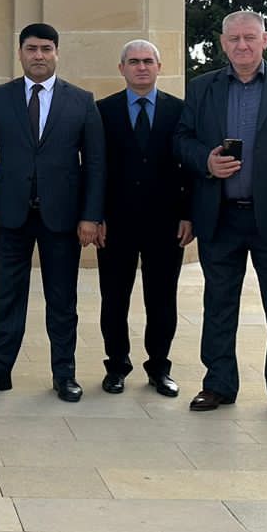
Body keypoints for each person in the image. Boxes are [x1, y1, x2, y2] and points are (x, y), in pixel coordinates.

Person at [175, 9, 267, 421]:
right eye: (234, 38)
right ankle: (218, 383)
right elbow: (181, 140)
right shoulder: (202, 88)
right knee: (219, 304)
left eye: (249, 38)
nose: (242, 45)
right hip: (219, 216)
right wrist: (205, 160)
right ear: (223, 43)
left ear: (264, 40)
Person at [0, 23, 105, 401]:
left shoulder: (81, 101)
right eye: (31, 49)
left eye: (45, 48)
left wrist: (91, 216)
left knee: (62, 300)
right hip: (9, 214)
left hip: (62, 217)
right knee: (5, 298)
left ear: (57, 52)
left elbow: (95, 164)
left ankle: (64, 374)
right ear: (20, 53)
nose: (38, 55)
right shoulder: (0, 97)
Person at [95, 40, 193, 397]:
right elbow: (94, 168)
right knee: (114, 299)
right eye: (134, 61)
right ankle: (116, 365)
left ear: (159, 67)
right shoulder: (102, 111)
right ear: (121, 68)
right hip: (115, 223)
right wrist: (95, 216)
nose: (141, 67)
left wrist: (188, 215)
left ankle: (159, 367)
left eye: (148, 61)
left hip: (166, 223)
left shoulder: (180, 110)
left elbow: (189, 168)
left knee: (162, 299)